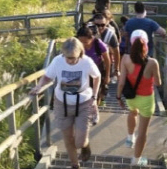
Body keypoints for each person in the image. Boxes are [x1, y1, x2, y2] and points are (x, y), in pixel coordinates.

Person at [30, 37, 101, 169]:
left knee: (79, 142)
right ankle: (75, 165)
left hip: (83, 103)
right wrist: (39, 86)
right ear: (63, 54)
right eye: (68, 58)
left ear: (80, 53)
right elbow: (47, 76)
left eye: (73, 58)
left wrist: (95, 97)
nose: (70, 61)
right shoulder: (58, 61)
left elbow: (97, 77)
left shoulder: (86, 62)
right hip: (62, 103)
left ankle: (85, 145)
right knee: (68, 138)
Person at [116, 30, 162, 166]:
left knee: (132, 112)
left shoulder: (125, 59)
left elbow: (122, 82)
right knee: (143, 132)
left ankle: (130, 137)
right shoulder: (153, 62)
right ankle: (136, 160)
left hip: (131, 97)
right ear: (147, 45)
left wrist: (118, 98)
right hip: (147, 99)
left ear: (131, 44)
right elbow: (158, 83)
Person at [76, 24, 111, 125]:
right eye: (80, 42)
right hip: (83, 70)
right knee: (83, 91)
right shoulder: (76, 44)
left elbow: (108, 60)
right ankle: (84, 112)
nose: (83, 44)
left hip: (98, 69)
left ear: (91, 38)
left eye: (85, 42)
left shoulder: (98, 44)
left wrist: (108, 75)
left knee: (96, 92)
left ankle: (95, 112)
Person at [93, 13, 120, 84]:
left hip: (105, 63)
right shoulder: (87, 32)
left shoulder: (110, 34)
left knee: (103, 85)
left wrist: (116, 69)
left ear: (106, 24)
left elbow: (116, 52)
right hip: (90, 62)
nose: (100, 27)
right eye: (97, 25)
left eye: (102, 25)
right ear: (93, 24)